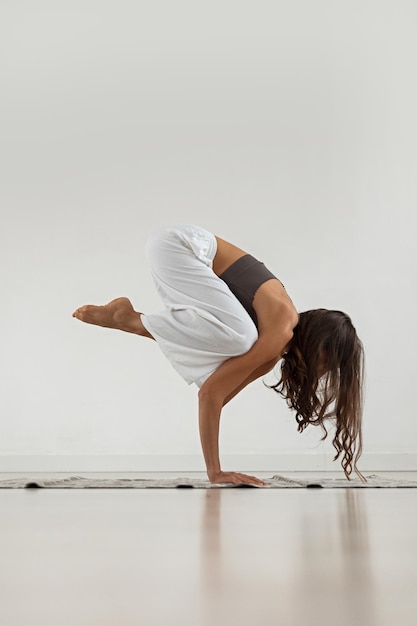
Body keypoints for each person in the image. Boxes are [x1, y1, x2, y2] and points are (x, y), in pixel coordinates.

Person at [73, 224, 365, 486]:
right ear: (320, 345)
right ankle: (130, 320)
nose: (325, 371)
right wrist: (215, 471)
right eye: (330, 361)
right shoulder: (281, 327)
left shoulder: (271, 352)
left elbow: (216, 395)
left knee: (233, 351)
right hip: (178, 245)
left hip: (178, 254)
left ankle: (129, 319)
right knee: (241, 340)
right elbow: (211, 394)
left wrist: (215, 396)